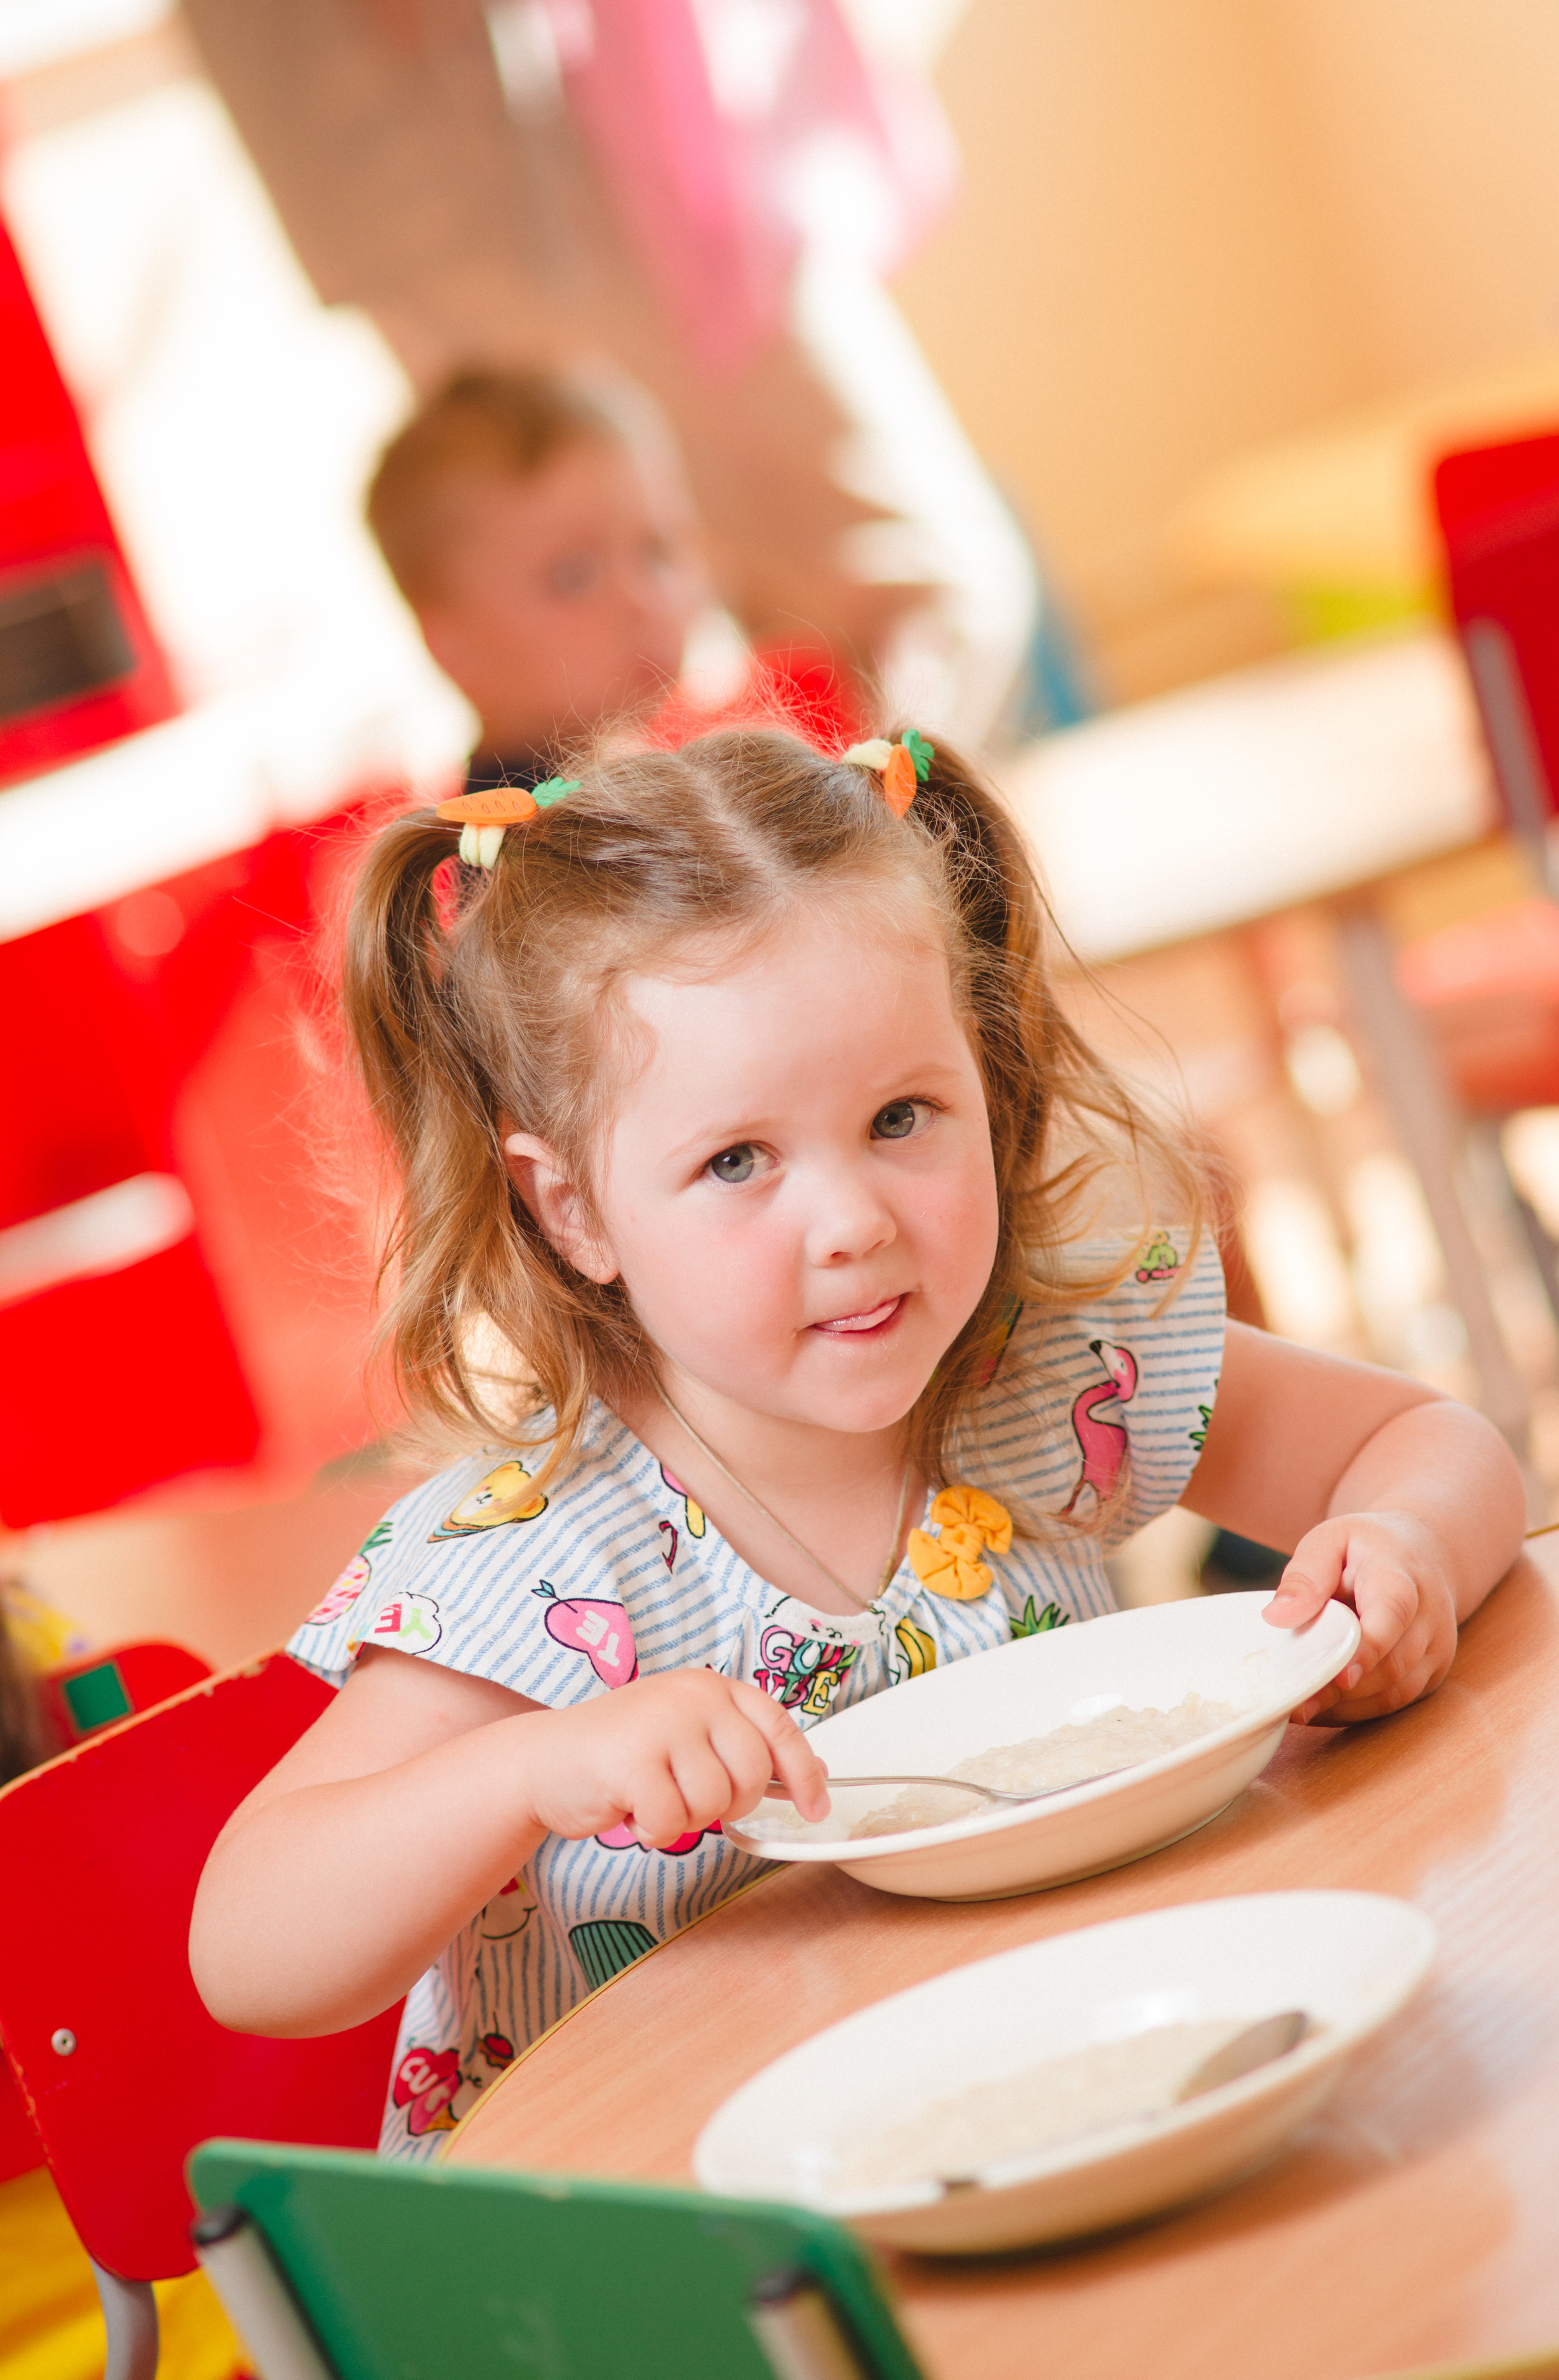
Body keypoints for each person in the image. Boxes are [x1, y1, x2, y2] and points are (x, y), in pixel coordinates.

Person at [190, 726, 1524, 2155]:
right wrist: (527, 1771)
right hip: (672, 2219)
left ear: (982, 1077)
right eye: (736, 1161)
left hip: (1033, 2096)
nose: (851, 1221)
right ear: (572, 1209)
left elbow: (1429, 1441)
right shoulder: (538, 1557)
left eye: (899, 1116)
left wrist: (1398, 1554)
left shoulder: (1037, 1370)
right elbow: (247, 1946)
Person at [366, 368, 707, 796]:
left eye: (656, 551)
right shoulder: (525, 832)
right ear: (452, 647)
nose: (643, 602)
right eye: (572, 577)